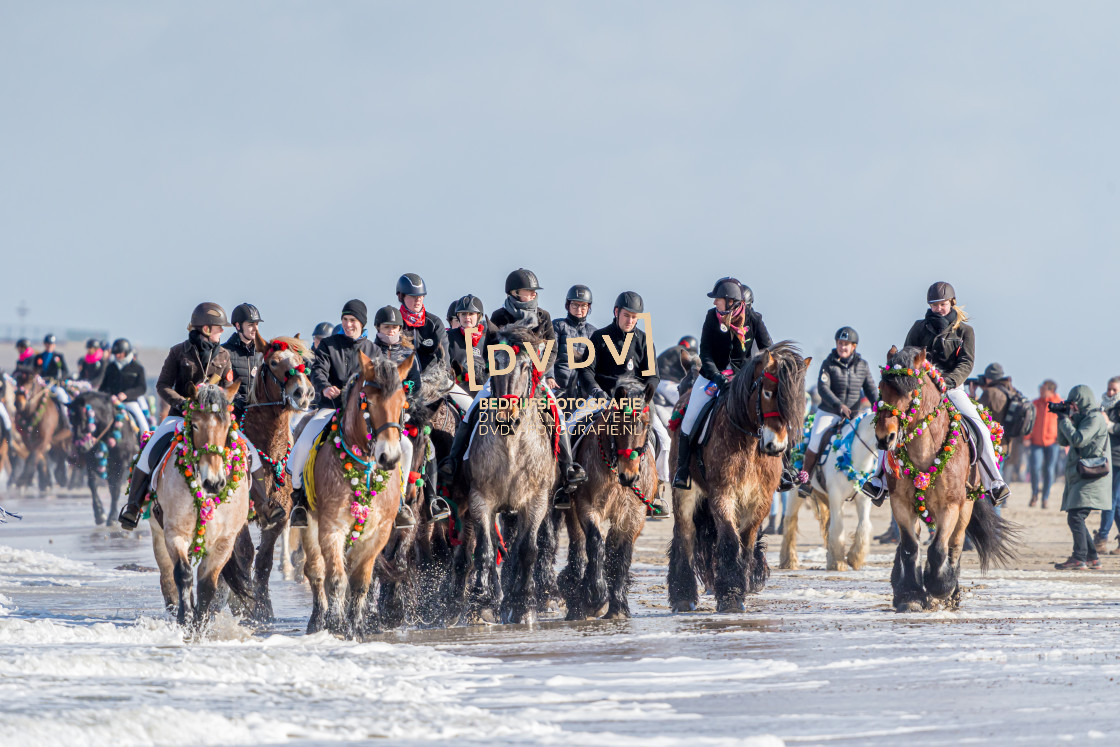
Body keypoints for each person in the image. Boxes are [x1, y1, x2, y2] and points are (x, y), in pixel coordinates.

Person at [117, 303, 275, 530]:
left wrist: (222, 399)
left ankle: (264, 506)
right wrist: (182, 403)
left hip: (211, 419)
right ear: (207, 329)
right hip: (180, 417)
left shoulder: (223, 355)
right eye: (219, 328)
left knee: (249, 451)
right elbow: (162, 385)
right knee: (150, 449)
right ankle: (133, 506)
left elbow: (230, 387)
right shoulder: (178, 352)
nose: (223, 332)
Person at [438, 268, 587, 501]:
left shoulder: (544, 317)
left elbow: (552, 348)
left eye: (532, 291)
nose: (531, 295)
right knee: (473, 410)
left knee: (556, 413)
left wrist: (537, 371)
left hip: (533, 377)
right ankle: (454, 462)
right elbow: (489, 349)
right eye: (527, 291)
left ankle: (568, 467)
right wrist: (497, 373)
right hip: (502, 379)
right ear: (515, 292)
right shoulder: (499, 317)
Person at [861, 282, 1010, 505]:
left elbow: (966, 362)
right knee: (890, 421)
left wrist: (949, 382)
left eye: (942, 304)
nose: (938, 308)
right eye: (934, 305)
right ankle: (879, 480)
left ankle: (994, 482)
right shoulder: (918, 327)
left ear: (952, 302)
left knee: (979, 427)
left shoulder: (965, 331)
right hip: (919, 389)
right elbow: (906, 357)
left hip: (951, 387)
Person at [289, 300, 413, 529]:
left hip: (364, 413)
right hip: (331, 408)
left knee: (406, 446)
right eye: (345, 320)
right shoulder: (328, 344)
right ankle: (298, 499)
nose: (348, 325)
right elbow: (318, 370)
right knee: (305, 442)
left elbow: (385, 382)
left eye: (353, 321)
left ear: (362, 323)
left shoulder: (373, 350)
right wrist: (325, 386)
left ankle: (401, 501)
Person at [674, 278, 771, 490]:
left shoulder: (753, 319)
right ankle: (682, 470)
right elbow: (705, 352)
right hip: (712, 376)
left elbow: (768, 349)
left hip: (744, 379)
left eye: (717, 299)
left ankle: (786, 469)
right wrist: (718, 377)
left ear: (731, 302)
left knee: (772, 412)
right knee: (689, 417)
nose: (714, 303)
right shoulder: (711, 317)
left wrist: (752, 373)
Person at [577, 291, 671, 490]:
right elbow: (586, 371)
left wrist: (648, 392)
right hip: (603, 397)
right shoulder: (599, 337)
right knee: (569, 427)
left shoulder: (644, 340)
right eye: (626, 315)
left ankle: (659, 487)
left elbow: (653, 375)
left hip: (636, 402)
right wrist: (596, 392)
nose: (630, 320)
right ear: (616, 312)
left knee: (664, 439)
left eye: (634, 317)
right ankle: (567, 481)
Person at [798, 327, 877, 497]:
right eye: (840, 343)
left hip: (854, 414)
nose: (842, 347)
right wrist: (839, 405)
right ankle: (806, 480)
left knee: (873, 438)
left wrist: (879, 405)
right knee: (816, 439)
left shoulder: (863, 365)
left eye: (846, 344)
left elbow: (870, 389)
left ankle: (875, 481)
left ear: (854, 346)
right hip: (829, 411)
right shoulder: (829, 363)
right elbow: (823, 388)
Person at [1053, 385, 1112, 570]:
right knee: (1076, 516)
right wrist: (1061, 418)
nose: (1073, 407)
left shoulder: (1094, 419)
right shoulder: (1083, 417)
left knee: (1076, 516)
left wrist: (1065, 419)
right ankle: (1093, 558)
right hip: (1082, 475)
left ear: (1082, 401)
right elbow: (1064, 441)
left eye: (1074, 403)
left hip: (1092, 475)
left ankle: (1079, 557)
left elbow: (1078, 439)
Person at [552, 284, 596, 402]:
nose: (579, 309)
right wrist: (549, 376)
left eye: (583, 306)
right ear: (568, 305)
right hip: (558, 387)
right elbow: (549, 353)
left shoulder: (593, 332)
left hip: (582, 391)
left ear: (588, 307)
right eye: (575, 305)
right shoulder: (558, 325)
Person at [396, 273, 448, 373]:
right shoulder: (395, 322)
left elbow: (444, 356)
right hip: (402, 379)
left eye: (421, 296)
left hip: (430, 381)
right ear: (401, 296)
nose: (418, 300)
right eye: (413, 296)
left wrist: (446, 374)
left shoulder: (434, 323)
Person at [446, 294, 490, 411]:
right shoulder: (449, 337)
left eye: (471, 314)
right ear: (458, 316)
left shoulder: (486, 341)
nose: (467, 317)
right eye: (463, 314)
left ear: (478, 316)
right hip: (456, 390)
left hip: (481, 392)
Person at [223, 303, 265, 420]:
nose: (255, 328)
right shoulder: (224, 352)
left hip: (258, 414)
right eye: (251, 325)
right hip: (233, 414)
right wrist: (238, 400)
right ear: (238, 326)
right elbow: (223, 385)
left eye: (256, 324)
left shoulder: (260, 353)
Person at [100, 338, 149, 432]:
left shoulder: (137, 368)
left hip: (129, 402)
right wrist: (110, 396)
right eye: (115, 354)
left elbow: (142, 388)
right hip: (112, 402)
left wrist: (126, 394)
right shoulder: (110, 367)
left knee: (143, 424)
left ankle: (146, 442)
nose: (117, 355)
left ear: (126, 352)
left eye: (119, 353)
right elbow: (103, 387)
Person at [1095, 376, 1120, 554]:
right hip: (1107, 458)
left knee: (1109, 500)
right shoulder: (1103, 406)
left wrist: (1109, 424)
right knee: (1116, 503)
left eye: (1114, 390)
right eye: (1109, 389)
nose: (1110, 392)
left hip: (1118, 459)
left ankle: (1102, 538)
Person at [1029, 380, 1063, 508]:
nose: (1040, 391)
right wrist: (1027, 437)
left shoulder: (1059, 404)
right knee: (1035, 468)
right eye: (1040, 388)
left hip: (1053, 442)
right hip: (1036, 442)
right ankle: (1034, 494)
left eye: (1043, 389)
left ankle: (1045, 497)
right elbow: (1029, 421)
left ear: (1051, 391)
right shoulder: (1035, 403)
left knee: (1049, 470)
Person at [34, 334, 71, 405]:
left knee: (62, 396)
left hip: (53, 384)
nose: (49, 346)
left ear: (54, 345)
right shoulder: (39, 356)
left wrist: (59, 378)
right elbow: (35, 370)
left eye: (51, 344)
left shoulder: (59, 356)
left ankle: (65, 413)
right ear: (45, 344)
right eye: (47, 344)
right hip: (41, 383)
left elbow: (65, 371)